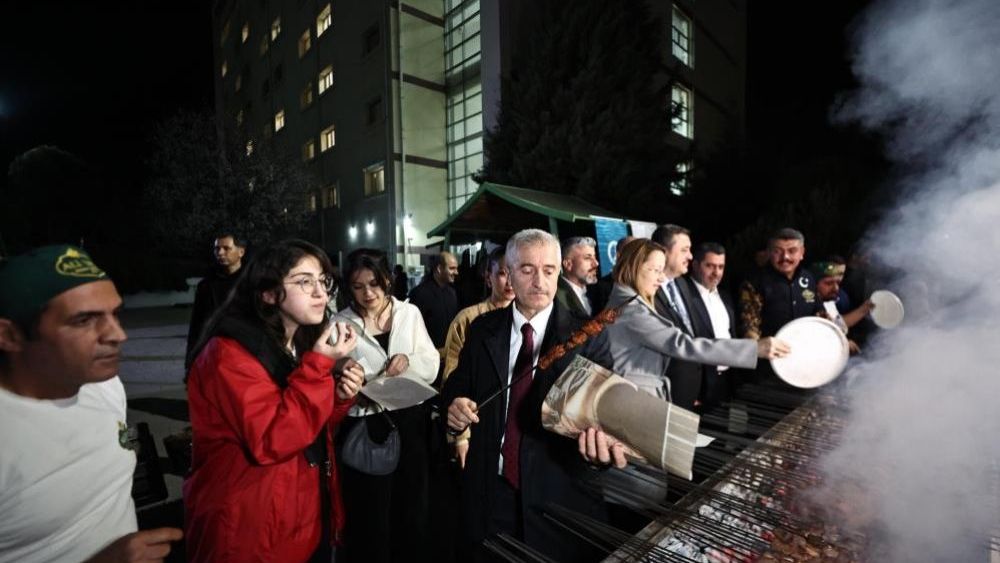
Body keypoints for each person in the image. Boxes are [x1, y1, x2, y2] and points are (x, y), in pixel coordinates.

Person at [443, 229, 626, 562]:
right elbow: (458, 385)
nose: (539, 280)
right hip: (490, 495)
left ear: (559, 272)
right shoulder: (483, 329)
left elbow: (603, 420)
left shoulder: (587, 337)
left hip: (557, 499)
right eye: (527, 269)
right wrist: (454, 406)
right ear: (508, 274)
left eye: (549, 270)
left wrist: (600, 455)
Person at [184, 239, 364, 562]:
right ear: (267, 293)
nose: (321, 293)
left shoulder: (296, 345)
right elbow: (272, 438)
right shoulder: (228, 354)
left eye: (323, 281)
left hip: (296, 519)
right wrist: (320, 366)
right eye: (304, 281)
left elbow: (308, 431)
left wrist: (337, 397)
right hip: (248, 531)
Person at [0, 245, 183, 562]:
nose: (118, 334)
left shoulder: (105, 386)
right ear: (9, 335)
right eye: (84, 320)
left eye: (116, 314)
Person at [332, 248, 440, 563]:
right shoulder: (341, 324)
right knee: (370, 516)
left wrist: (409, 360)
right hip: (364, 423)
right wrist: (345, 376)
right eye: (358, 286)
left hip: (410, 423)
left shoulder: (409, 314)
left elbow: (432, 364)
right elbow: (333, 376)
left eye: (375, 284)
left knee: (411, 511)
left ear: (388, 281)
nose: (368, 293)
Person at [588, 239, 789, 402]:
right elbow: (684, 345)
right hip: (634, 401)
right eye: (655, 270)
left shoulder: (623, 302)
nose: (660, 279)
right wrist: (754, 349)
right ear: (634, 267)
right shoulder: (632, 310)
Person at [738, 228, 823, 387]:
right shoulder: (754, 282)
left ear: (802, 252)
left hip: (806, 369)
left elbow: (819, 314)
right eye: (778, 251)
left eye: (792, 251)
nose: (785, 257)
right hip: (767, 374)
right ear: (769, 252)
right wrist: (756, 345)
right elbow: (749, 325)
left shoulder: (808, 278)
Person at [649, 224, 714, 410]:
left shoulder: (683, 285)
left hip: (690, 395)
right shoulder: (646, 291)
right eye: (684, 250)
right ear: (663, 251)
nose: (691, 256)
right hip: (662, 399)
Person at [684, 242, 738, 409]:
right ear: (695, 265)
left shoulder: (726, 296)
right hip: (699, 387)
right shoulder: (684, 295)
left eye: (721, 267)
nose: (716, 273)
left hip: (727, 383)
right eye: (710, 266)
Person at [185, 233, 247, 368]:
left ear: (241, 252)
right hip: (214, 355)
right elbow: (197, 325)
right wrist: (190, 362)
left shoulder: (253, 283)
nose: (220, 252)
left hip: (246, 355)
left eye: (226, 248)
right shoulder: (205, 286)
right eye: (217, 249)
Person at [811, 256, 874, 354]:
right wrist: (841, 343)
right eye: (828, 283)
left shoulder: (830, 302)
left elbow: (840, 324)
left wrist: (865, 308)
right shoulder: (805, 306)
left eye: (838, 282)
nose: (836, 288)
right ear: (814, 284)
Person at [408, 251, 459, 355]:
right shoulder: (419, 294)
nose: (456, 272)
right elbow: (412, 329)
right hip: (428, 356)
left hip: (450, 355)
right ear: (439, 269)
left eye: (456, 268)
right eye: (452, 268)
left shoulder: (452, 293)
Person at [555, 236, 600, 318]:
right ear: (568, 264)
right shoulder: (555, 297)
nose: (596, 263)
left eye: (594, 257)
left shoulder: (598, 293)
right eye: (588, 258)